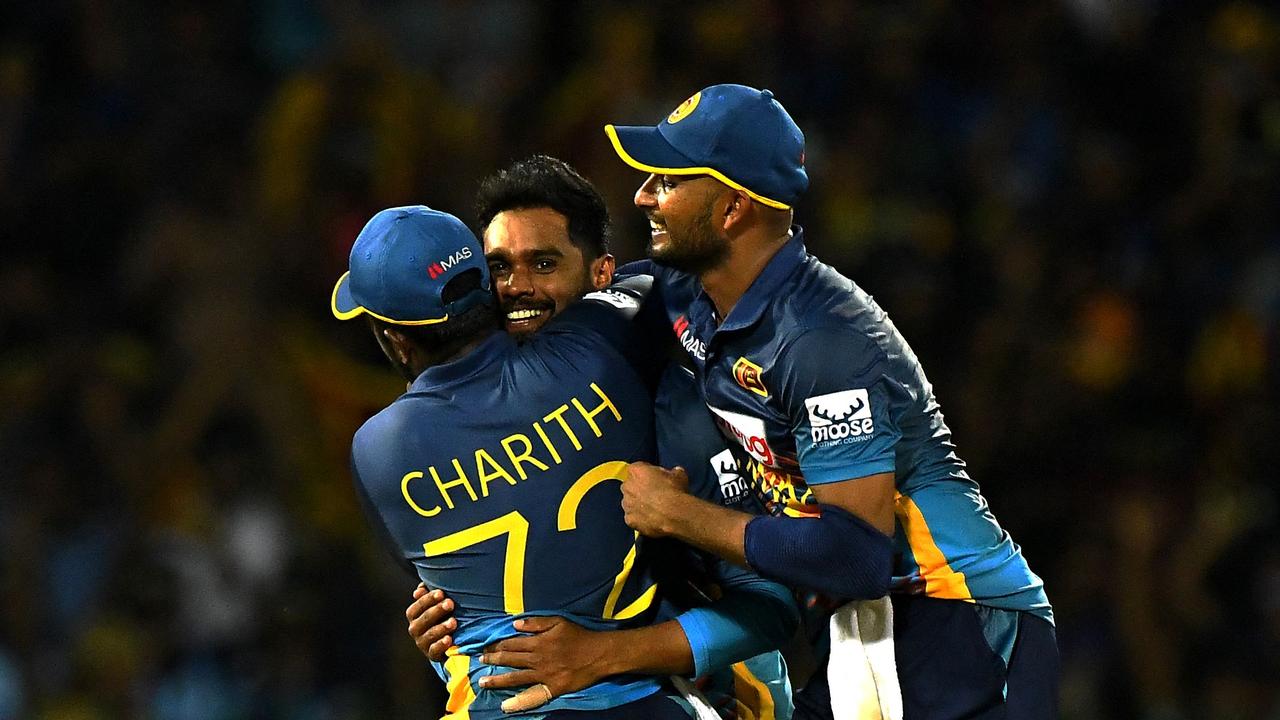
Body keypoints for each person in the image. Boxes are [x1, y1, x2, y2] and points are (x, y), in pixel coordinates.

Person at [602, 84, 1059, 718]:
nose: (644, 195)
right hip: (867, 629)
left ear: (732, 208)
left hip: (955, 618)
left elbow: (857, 557)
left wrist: (679, 517)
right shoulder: (689, 296)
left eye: (668, 180)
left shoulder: (821, 339)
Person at [403, 155, 797, 719]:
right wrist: (450, 641)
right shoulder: (459, 436)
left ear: (600, 276)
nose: (517, 288)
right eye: (498, 268)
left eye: (543, 264)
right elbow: (515, 639)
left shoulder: (673, 411)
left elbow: (770, 609)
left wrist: (600, 655)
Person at [332, 204, 694, 719]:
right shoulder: (598, 346)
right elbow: (670, 277)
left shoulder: (375, 450)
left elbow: (442, 599)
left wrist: (452, 644)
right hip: (647, 698)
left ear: (395, 338)